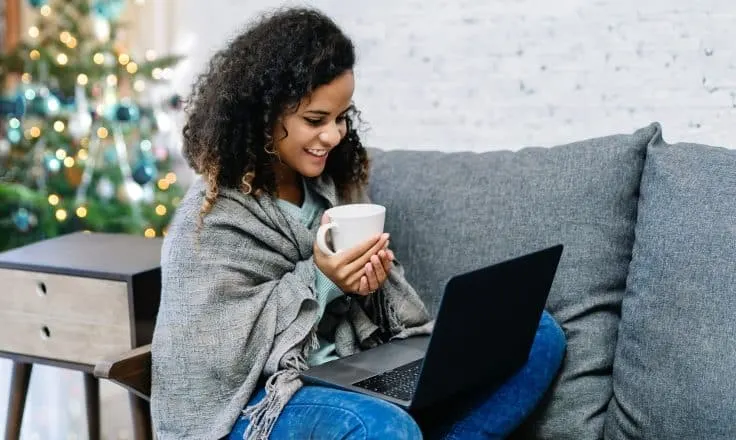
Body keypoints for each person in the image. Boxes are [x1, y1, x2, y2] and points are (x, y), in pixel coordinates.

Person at [150, 7, 567, 440]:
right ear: (263, 117)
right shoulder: (212, 216)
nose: (333, 136)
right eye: (315, 120)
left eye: (340, 117)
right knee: (378, 426)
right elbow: (210, 355)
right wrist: (322, 280)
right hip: (265, 399)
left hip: (350, 370)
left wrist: (371, 282)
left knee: (539, 334)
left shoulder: (335, 183)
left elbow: (382, 314)